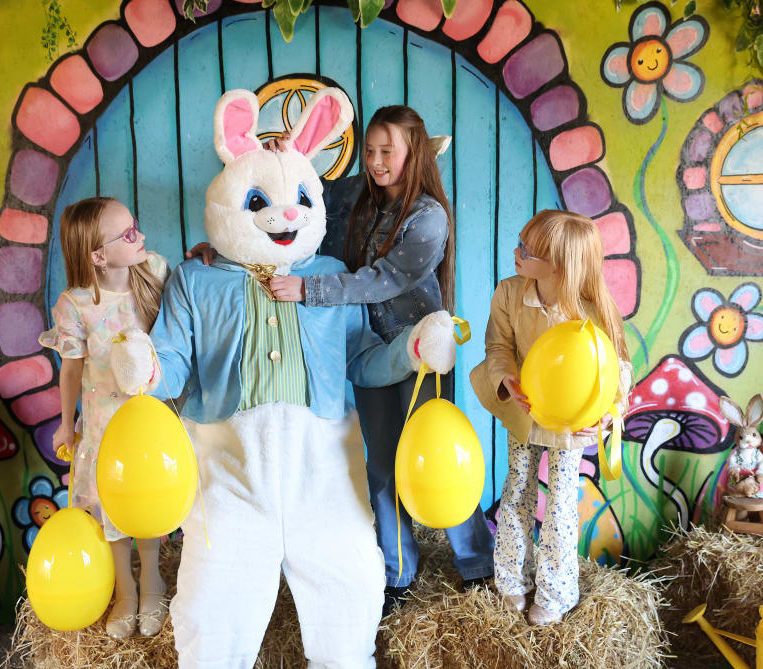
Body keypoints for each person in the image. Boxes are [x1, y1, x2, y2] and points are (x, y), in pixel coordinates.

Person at [263, 105, 495, 613]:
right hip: (368, 351)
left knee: (435, 460)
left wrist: (311, 289)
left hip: (420, 350)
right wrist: (285, 158)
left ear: (414, 154)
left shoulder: (428, 216)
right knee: (384, 467)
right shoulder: (355, 198)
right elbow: (303, 199)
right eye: (369, 151)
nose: (375, 161)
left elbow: (384, 279)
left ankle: (478, 565)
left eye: (387, 151)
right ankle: (398, 573)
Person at [469, 209, 633, 626]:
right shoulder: (510, 294)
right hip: (526, 412)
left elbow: (618, 373)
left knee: (560, 503)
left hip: (570, 423)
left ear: (559, 264)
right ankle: (510, 580)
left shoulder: (595, 310)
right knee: (517, 490)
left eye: (527, 249)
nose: (516, 252)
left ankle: (556, 592)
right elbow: (498, 346)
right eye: (520, 242)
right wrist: (505, 376)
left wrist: (608, 416)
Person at [39, 197, 169, 639]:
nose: (142, 237)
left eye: (137, 226)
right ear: (98, 255)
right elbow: (71, 368)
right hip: (102, 425)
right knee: (109, 507)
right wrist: (64, 422)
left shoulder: (152, 275)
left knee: (146, 502)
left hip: (147, 425)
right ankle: (125, 589)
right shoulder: (75, 305)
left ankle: (152, 578)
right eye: (129, 234)